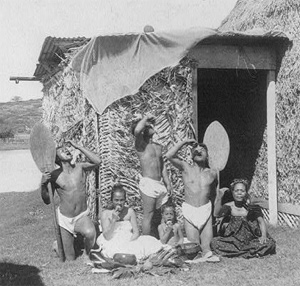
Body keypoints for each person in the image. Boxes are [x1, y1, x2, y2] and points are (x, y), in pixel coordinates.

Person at [41, 140, 101, 261]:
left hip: (81, 216)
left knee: (90, 233)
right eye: (61, 150)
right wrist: (43, 185)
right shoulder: (54, 176)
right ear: (57, 158)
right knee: (70, 258)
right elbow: (47, 200)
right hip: (65, 219)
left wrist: (78, 146)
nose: (66, 150)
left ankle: (87, 255)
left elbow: (97, 161)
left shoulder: (80, 167)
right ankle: (57, 245)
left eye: (67, 149)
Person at [166, 139, 222, 262]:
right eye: (196, 150)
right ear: (192, 155)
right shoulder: (186, 167)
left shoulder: (213, 172)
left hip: (206, 211)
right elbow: (169, 155)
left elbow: (216, 195)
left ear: (207, 155)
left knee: (207, 249)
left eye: (203, 150)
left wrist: (216, 214)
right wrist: (185, 142)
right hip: (190, 211)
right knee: (194, 247)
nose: (199, 151)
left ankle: (205, 253)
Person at [211, 178, 276, 258]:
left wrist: (263, 236)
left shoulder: (252, 207)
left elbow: (261, 222)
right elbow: (216, 214)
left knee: (269, 244)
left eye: (242, 191)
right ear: (232, 192)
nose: (239, 193)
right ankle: (251, 252)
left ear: (246, 192)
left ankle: (238, 252)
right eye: (236, 191)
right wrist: (219, 198)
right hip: (234, 240)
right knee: (214, 242)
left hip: (252, 239)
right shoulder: (228, 206)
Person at [97, 184, 163, 260]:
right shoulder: (105, 213)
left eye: (121, 200)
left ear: (125, 200)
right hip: (112, 240)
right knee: (118, 251)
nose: (119, 203)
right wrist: (114, 220)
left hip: (129, 239)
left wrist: (129, 242)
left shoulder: (130, 212)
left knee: (149, 242)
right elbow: (107, 236)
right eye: (116, 200)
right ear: (112, 200)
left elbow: (136, 232)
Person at [132, 114, 172, 237]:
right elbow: (137, 130)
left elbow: (162, 165)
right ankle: (146, 244)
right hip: (148, 183)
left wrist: (168, 183)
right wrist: (145, 118)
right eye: (148, 125)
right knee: (148, 215)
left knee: (162, 214)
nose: (151, 125)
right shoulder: (141, 146)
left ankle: (163, 241)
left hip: (160, 183)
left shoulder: (158, 147)